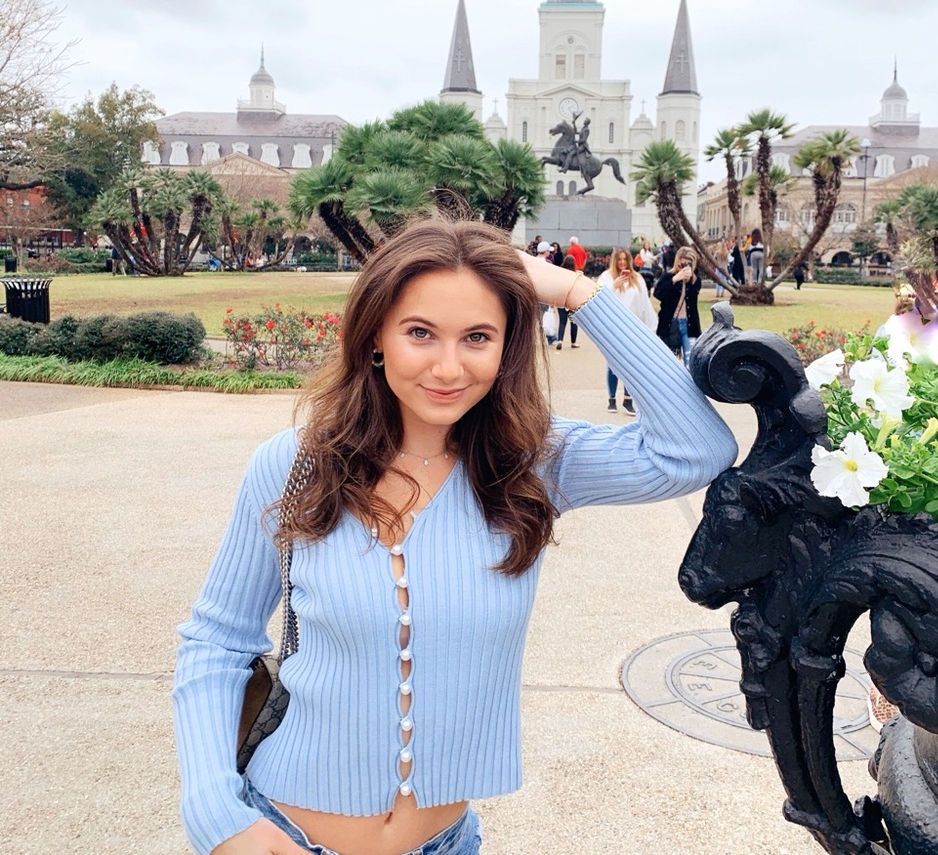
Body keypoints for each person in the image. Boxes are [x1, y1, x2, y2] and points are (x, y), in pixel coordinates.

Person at [173, 220, 737, 855]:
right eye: (420, 332)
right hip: (283, 834)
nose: (449, 367)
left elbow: (696, 451)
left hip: (446, 844)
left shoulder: (532, 465)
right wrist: (215, 813)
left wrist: (577, 292)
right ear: (376, 338)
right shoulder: (295, 465)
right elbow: (217, 640)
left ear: (506, 348)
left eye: (477, 337)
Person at [596, 247, 657, 415]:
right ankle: (612, 398)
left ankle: (628, 398)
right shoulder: (606, 278)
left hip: (632, 327)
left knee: (632, 363)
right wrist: (614, 286)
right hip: (614, 327)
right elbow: (597, 299)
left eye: (625, 259)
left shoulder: (637, 279)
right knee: (613, 364)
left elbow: (644, 304)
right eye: (619, 260)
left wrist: (650, 328)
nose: (622, 263)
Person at [653, 245, 702, 369]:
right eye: (681, 264)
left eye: (688, 264)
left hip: (689, 325)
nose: (684, 267)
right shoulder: (668, 277)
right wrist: (675, 279)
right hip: (670, 324)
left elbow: (694, 292)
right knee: (669, 364)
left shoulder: (695, 280)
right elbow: (658, 293)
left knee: (690, 364)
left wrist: (690, 279)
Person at [554, 254, 581, 350]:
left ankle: (560, 340)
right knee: (573, 322)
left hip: (561, 300)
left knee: (562, 321)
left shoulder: (560, 273)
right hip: (573, 301)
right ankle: (573, 342)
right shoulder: (577, 274)